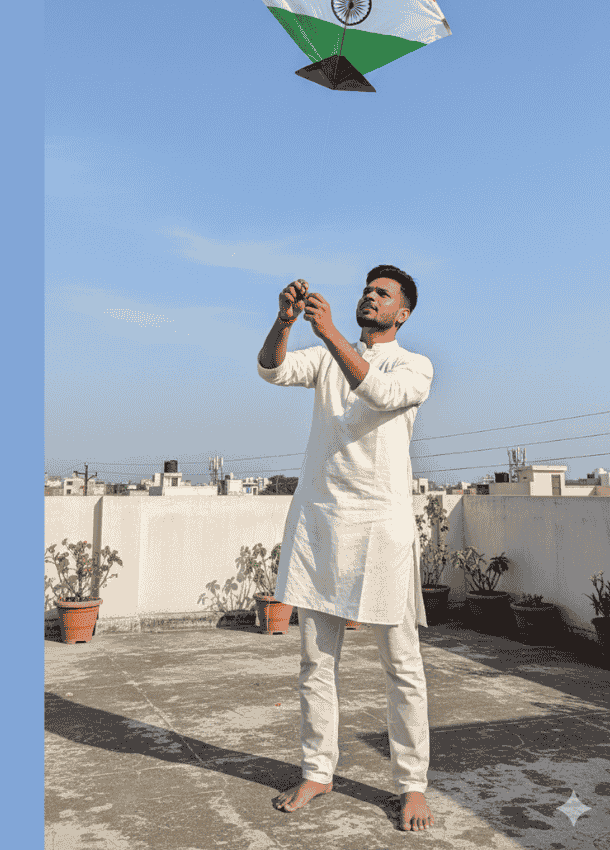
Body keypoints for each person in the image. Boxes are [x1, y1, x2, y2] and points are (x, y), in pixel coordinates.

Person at [257, 265, 436, 833]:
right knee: (316, 660)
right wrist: (284, 323)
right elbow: (272, 369)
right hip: (321, 524)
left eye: (382, 294)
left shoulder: (413, 365)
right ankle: (317, 770)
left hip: (382, 528)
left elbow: (377, 391)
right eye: (368, 289)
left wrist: (330, 332)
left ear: (401, 313)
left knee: (401, 664)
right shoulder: (326, 358)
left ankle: (411, 785)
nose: (370, 296)